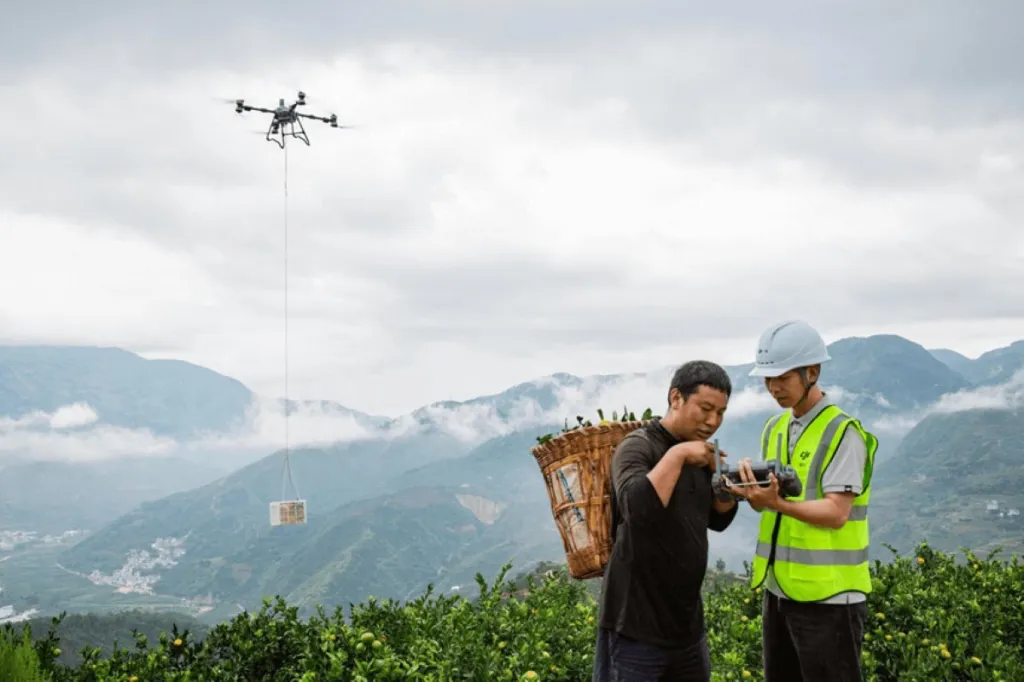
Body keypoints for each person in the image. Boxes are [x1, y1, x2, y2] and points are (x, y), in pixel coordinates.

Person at [726, 320, 878, 682]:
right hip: (780, 590)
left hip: (830, 599)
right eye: (767, 379)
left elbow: (837, 512)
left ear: (812, 372)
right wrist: (751, 494)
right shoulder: (774, 428)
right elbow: (770, 505)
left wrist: (775, 503)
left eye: (782, 377)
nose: (773, 387)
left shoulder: (843, 432)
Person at [593, 360, 739, 682]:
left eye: (721, 412)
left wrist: (729, 489)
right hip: (634, 628)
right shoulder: (637, 447)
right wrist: (678, 456)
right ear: (675, 398)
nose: (713, 421)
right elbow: (637, 510)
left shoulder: (701, 453)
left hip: (687, 628)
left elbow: (716, 520)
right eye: (705, 408)